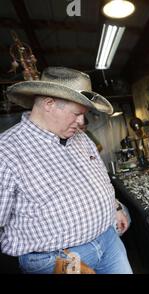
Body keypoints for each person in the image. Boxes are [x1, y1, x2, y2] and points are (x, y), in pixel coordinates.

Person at [0, 67, 132, 274]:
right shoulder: (6, 152)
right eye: (77, 114)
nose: (81, 122)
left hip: (109, 241)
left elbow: (100, 180)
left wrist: (114, 208)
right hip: (57, 260)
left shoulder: (80, 138)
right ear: (49, 103)